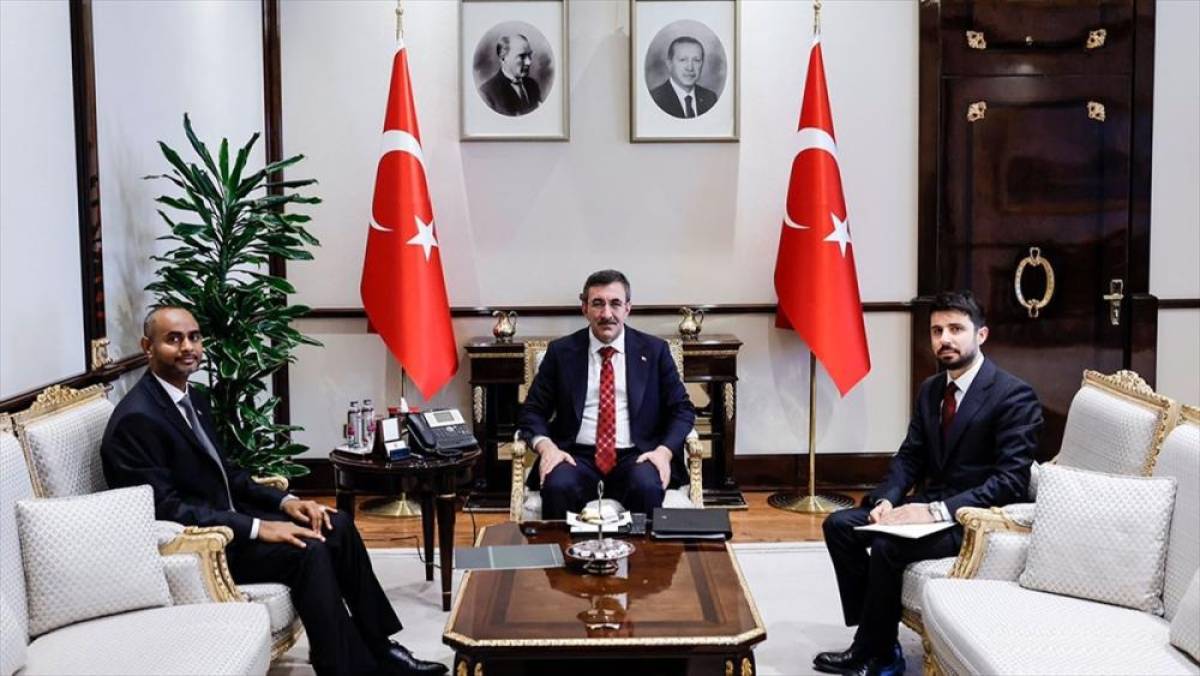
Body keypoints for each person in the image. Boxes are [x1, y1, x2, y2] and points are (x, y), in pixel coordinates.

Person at [101, 307, 446, 676]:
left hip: (228, 520)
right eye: (174, 339)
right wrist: (258, 527)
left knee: (337, 524)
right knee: (308, 550)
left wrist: (288, 502)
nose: (188, 347)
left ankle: (380, 648)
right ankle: (343, 667)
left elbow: (229, 475)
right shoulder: (138, 418)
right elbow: (165, 510)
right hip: (204, 546)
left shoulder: (192, 399)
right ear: (148, 347)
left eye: (194, 337)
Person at [815, 291, 1043, 676]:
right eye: (937, 331)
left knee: (887, 546)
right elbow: (910, 456)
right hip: (929, 506)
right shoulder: (931, 390)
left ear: (981, 335)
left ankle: (875, 653)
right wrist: (887, 500)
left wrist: (936, 511)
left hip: (973, 517)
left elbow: (1010, 480)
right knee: (839, 526)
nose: (944, 339)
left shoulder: (1014, 396)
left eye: (956, 329)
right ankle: (878, 639)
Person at [518, 269, 696, 519]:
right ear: (584, 308)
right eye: (598, 304)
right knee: (558, 486)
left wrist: (663, 452)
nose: (606, 314)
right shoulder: (561, 352)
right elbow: (532, 410)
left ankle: (642, 547)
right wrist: (547, 447)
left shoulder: (655, 351)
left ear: (628, 308)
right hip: (575, 456)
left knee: (646, 485)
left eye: (615, 303)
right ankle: (562, 547)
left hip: (638, 455)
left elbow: (682, 409)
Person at [649, 36, 718, 119]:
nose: (690, 68)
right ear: (669, 64)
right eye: (683, 60)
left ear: (702, 64)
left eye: (696, 60)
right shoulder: (655, 99)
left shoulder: (710, 98)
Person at [478, 33, 541, 117]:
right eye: (522, 56)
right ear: (503, 58)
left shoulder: (533, 85)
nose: (528, 62)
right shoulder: (487, 93)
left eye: (529, 55)